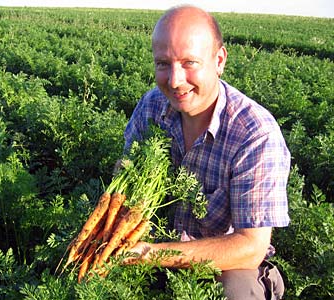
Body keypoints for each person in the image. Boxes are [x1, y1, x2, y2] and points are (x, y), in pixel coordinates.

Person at [122, 5, 291, 300]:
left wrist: (151, 255)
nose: (175, 80)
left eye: (189, 62)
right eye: (163, 63)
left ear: (219, 60)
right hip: (152, 245)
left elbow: (251, 247)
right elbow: (125, 175)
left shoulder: (254, 132)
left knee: (238, 290)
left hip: (223, 263)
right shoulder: (151, 106)